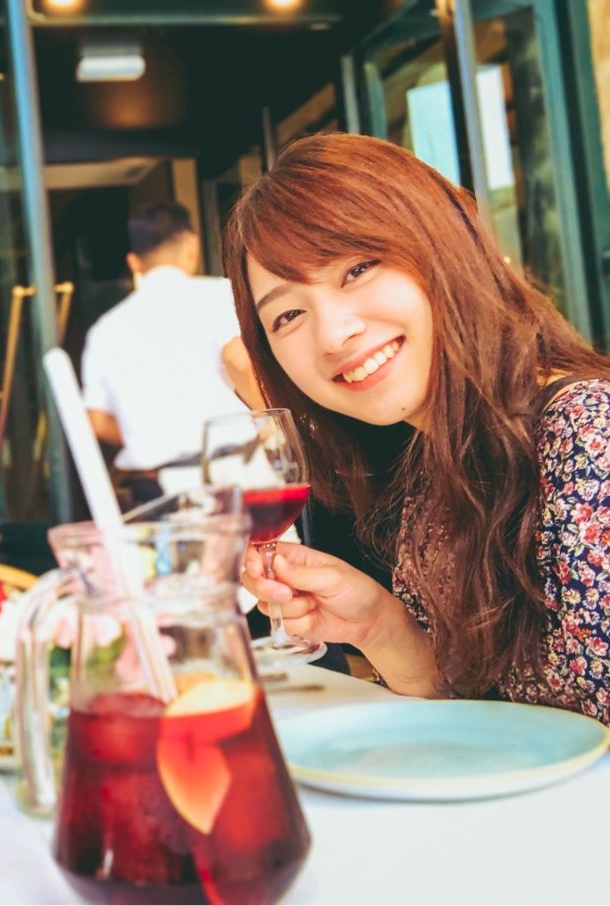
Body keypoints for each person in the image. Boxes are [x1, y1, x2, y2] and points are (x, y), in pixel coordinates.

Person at [229, 133, 610, 723]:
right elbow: (488, 719)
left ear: (442, 244)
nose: (333, 333)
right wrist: (379, 626)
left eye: (357, 269)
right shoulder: (439, 467)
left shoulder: (589, 437)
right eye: (289, 314)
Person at [81, 202, 257, 504]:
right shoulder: (222, 295)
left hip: (157, 488)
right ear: (192, 247)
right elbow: (239, 361)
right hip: (237, 471)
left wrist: (148, 432)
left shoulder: (105, 329)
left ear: (134, 262)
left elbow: (96, 419)